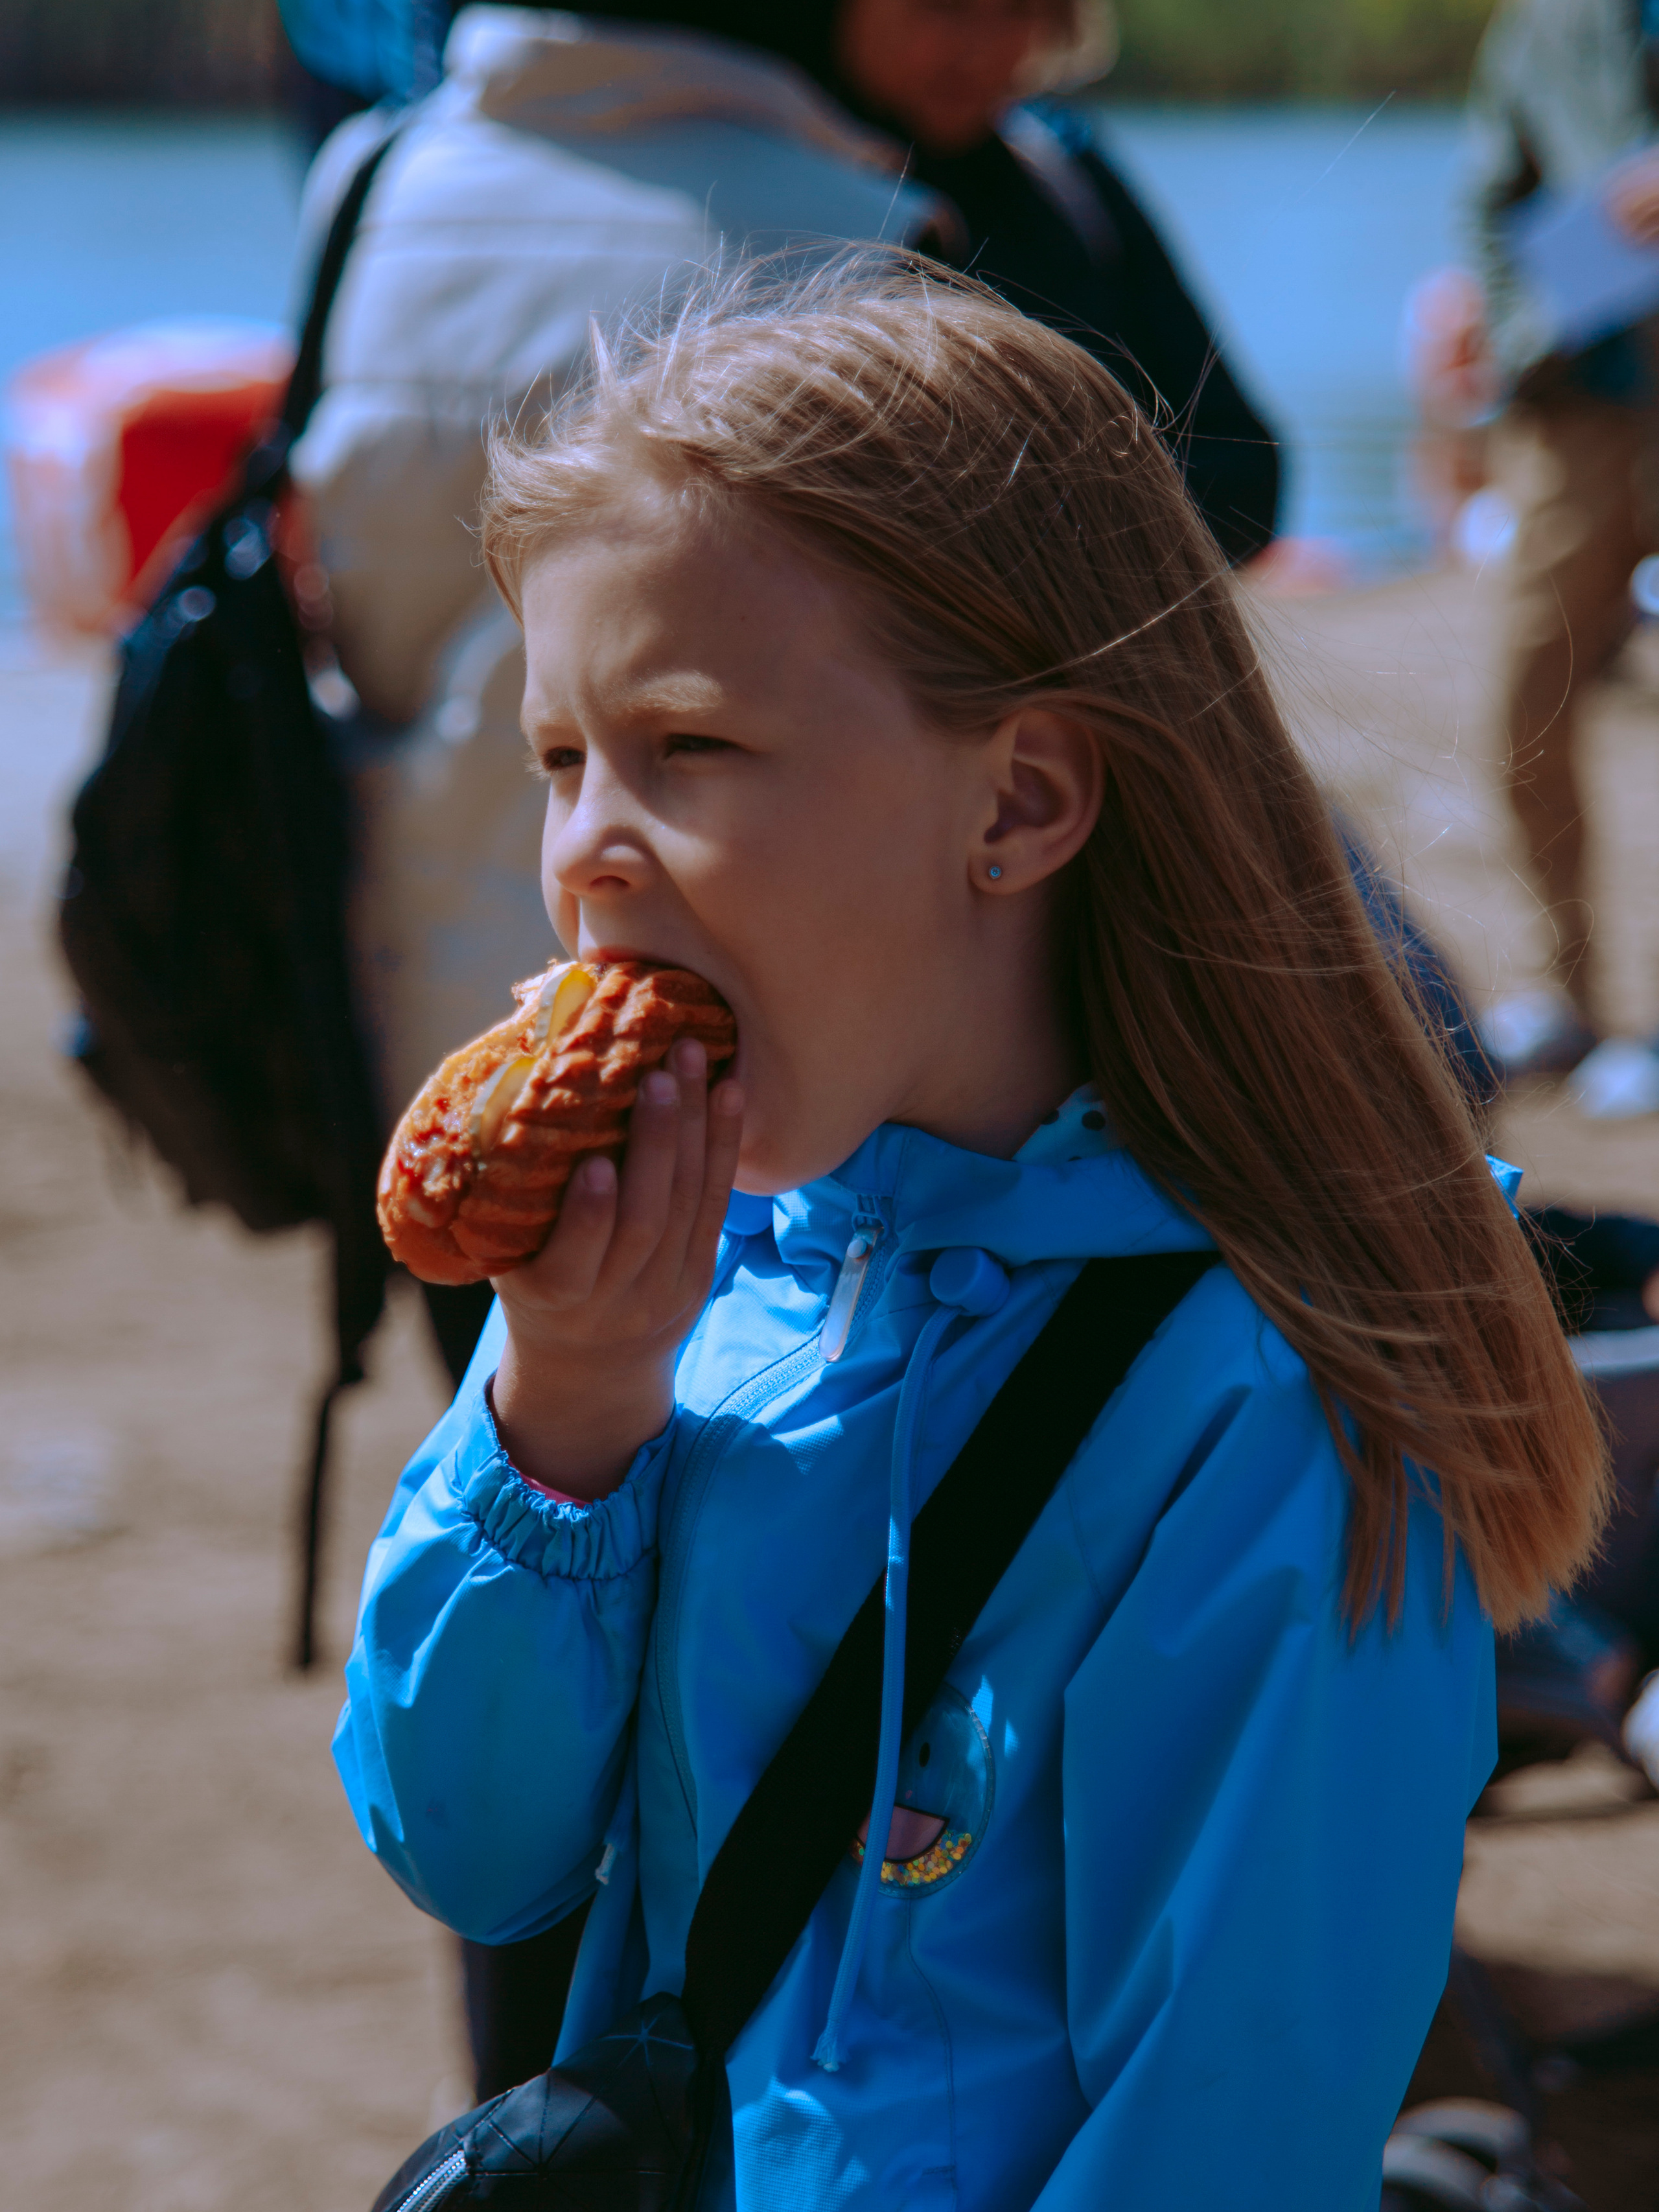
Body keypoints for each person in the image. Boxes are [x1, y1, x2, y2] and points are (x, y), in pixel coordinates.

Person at [334, 257, 1607, 2207]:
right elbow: (467, 1841)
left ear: (1015, 798)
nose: (589, 842)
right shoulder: (727, 1291)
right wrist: (562, 1417)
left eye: (691, 748)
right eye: (561, 757)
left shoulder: (1268, 1411)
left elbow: (1228, 2120)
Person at [1465, 0, 1659, 1089]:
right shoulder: (1545, 23)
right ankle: (1573, 995)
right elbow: (1490, 209)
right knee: (1525, 706)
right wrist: (1511, 335)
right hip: (1577, 412)